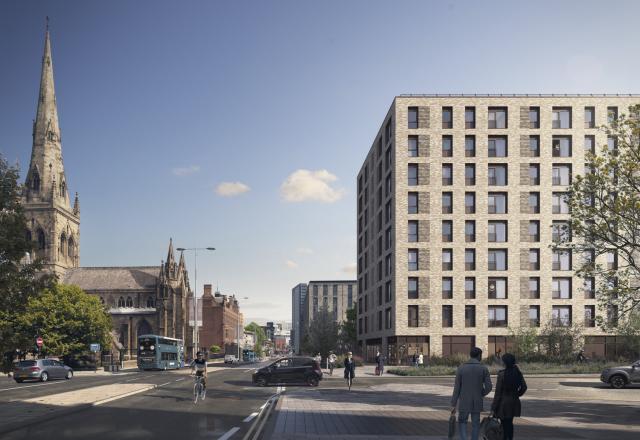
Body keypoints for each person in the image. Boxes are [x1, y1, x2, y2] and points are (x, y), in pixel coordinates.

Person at [450, 347, 493, 440]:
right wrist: (481, 393)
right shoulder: (483, 368)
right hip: (477, 400)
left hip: (464, 401)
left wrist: (453, 404)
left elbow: (457, 388)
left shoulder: (461, 368)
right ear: (479, 355)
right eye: (481, 355)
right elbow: (489, 387)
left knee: (462, 422)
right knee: (476, 424)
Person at [491, 353, 528, 440]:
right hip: (514, 401)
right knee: (510, 423)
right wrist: (517, 394)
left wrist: (494, 406)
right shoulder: (518, 373)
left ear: (505, 363)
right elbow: (524, 387)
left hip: (504, 402)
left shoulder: (502, 374)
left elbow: (498, 392)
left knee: (504, 424)